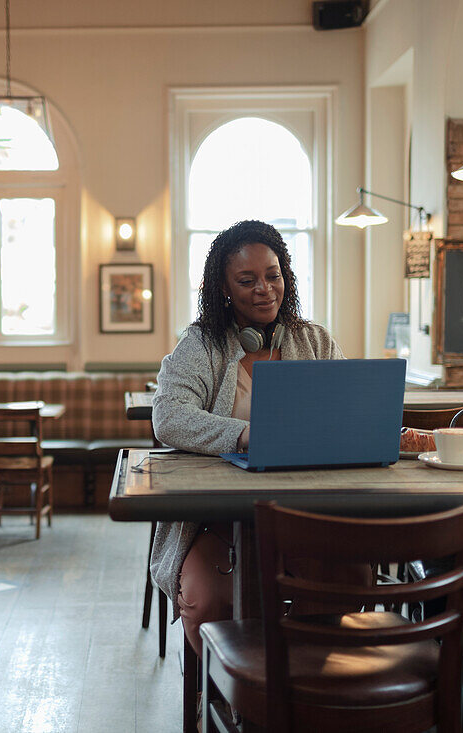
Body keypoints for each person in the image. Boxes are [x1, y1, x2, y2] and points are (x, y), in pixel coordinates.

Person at [150, 219, 344, 655]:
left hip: (308, 515)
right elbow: (168, 417)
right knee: (208, 600)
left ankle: (305, 686)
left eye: (273, 275)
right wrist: (245, 434)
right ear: (223, 287)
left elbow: (346, 408)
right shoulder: (201, 344)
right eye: (247, 280)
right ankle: (223, 697)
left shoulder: (313, 341)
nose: (264, 289)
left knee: (346, 582)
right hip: (219, 521)